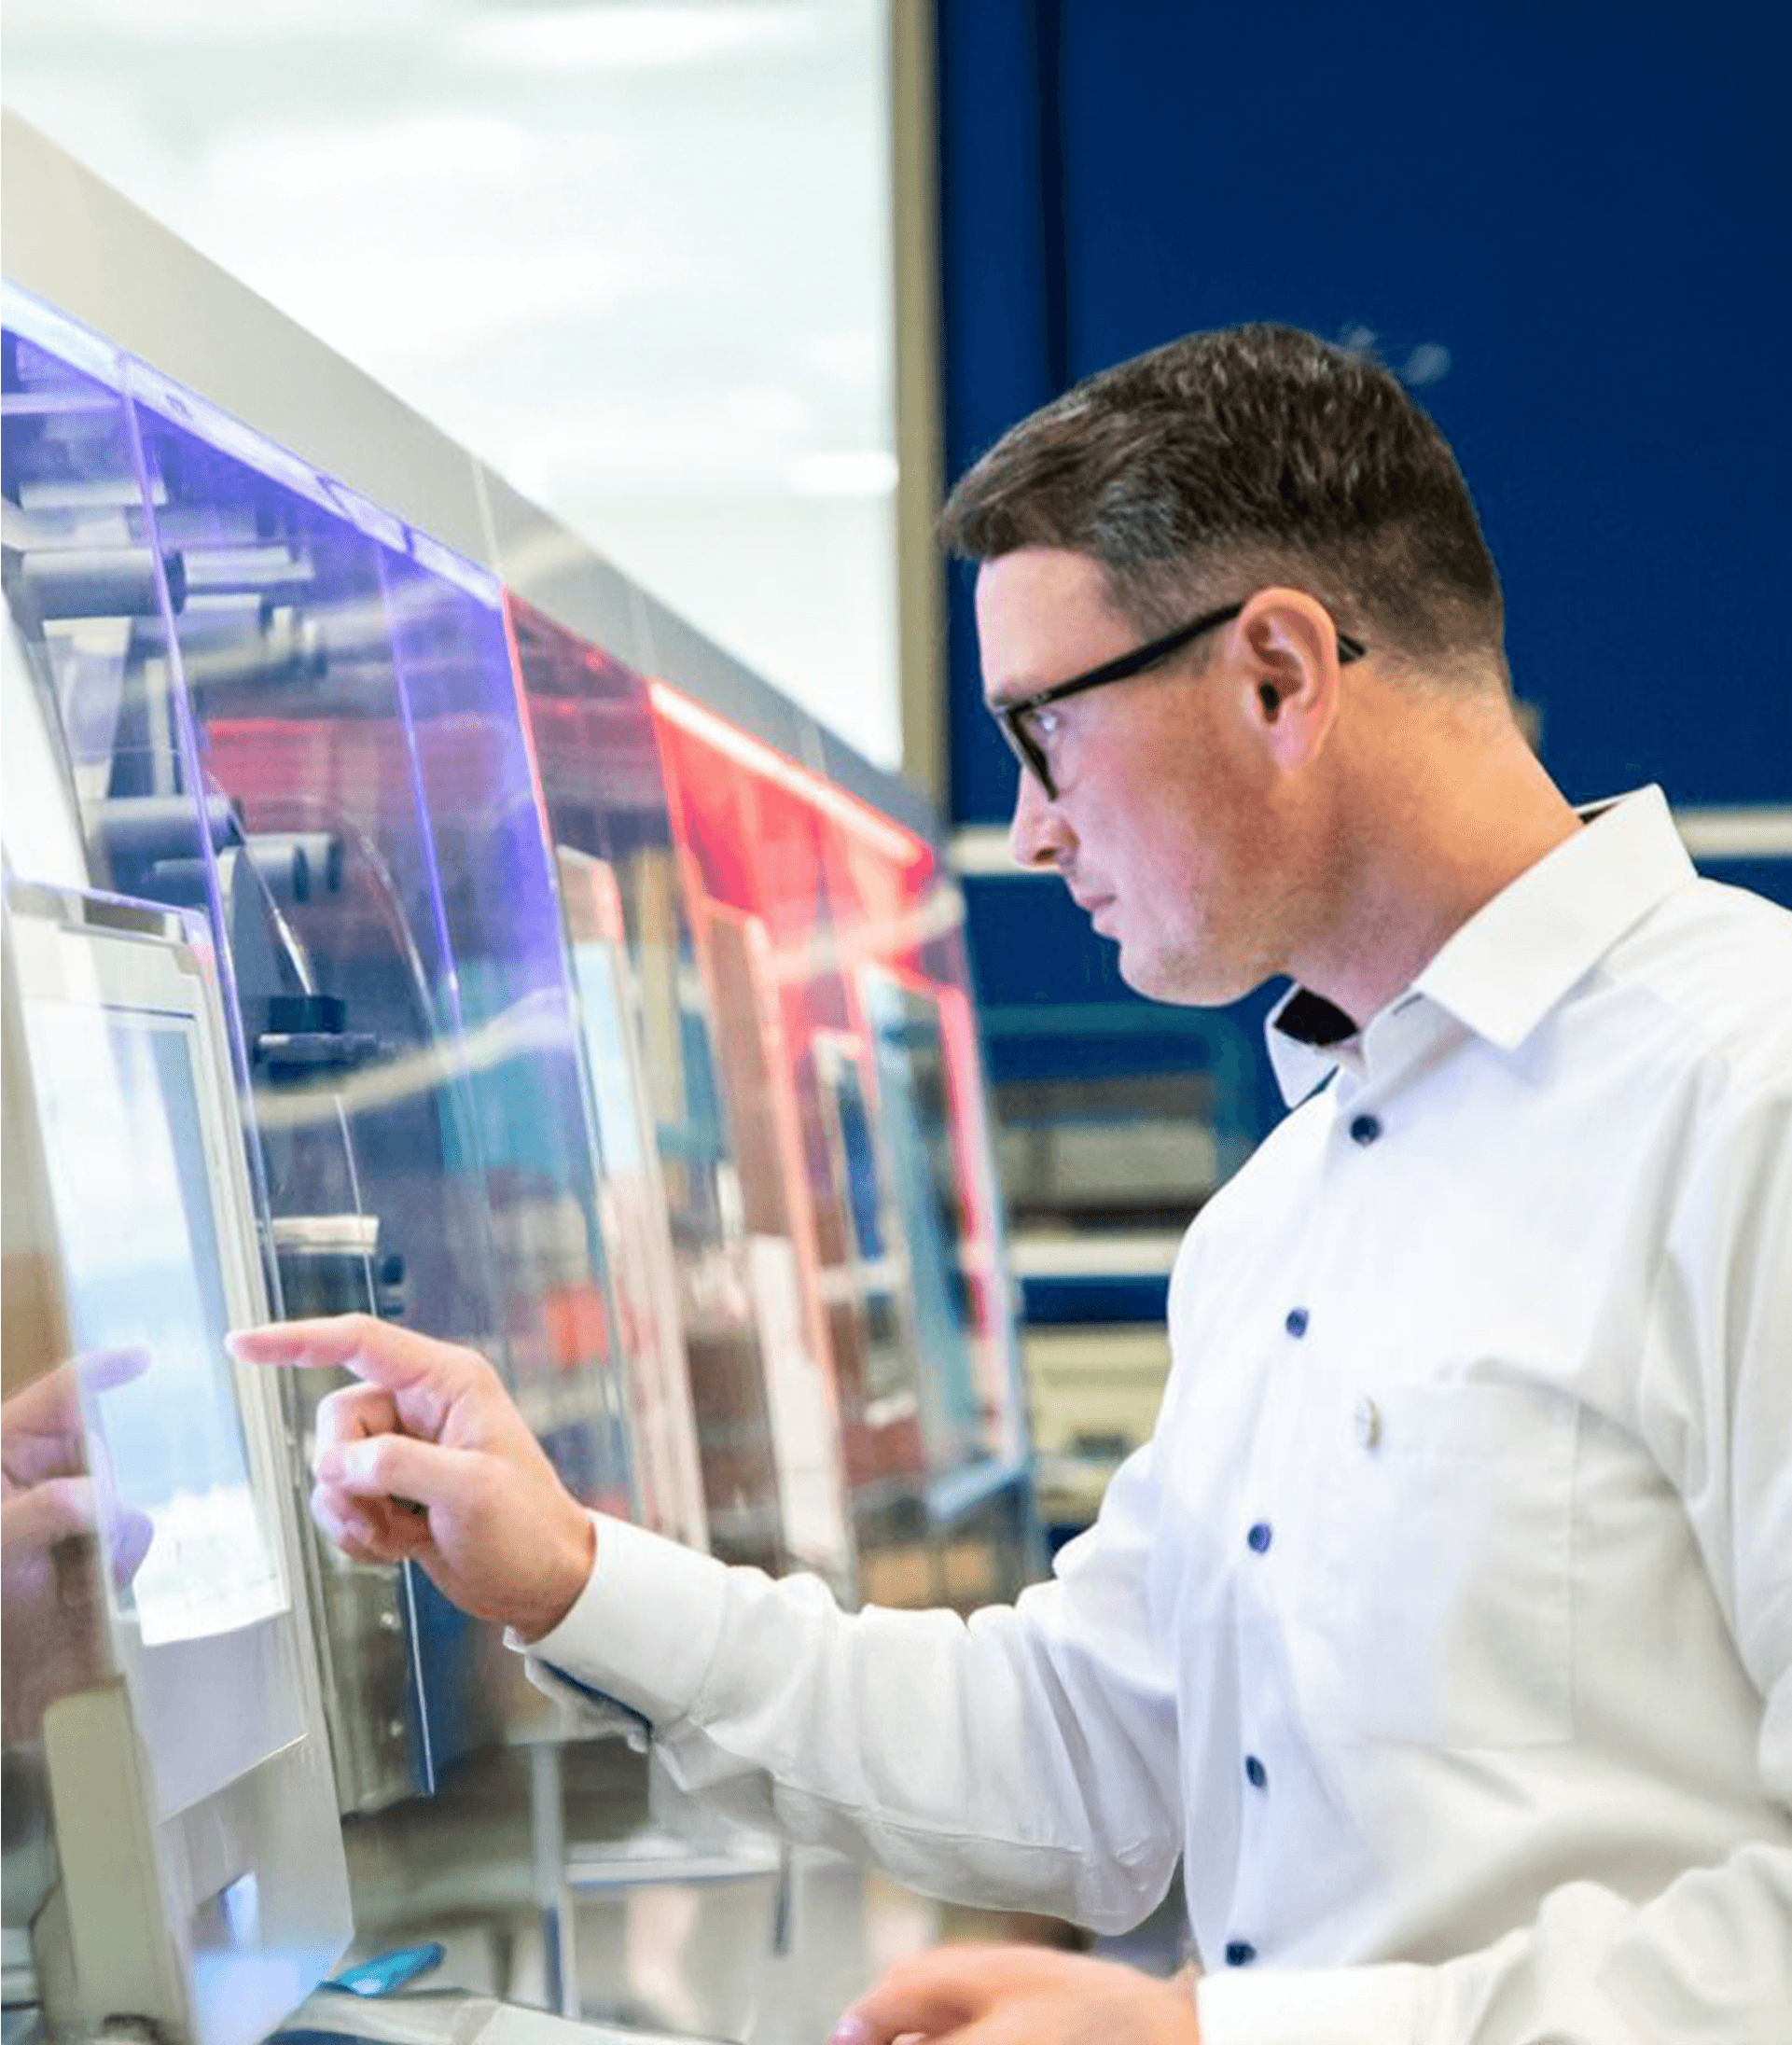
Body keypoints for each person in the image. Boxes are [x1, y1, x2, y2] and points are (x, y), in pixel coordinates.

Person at [231, 324, 1792, 2044]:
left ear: (1279, 675)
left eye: (1045, 734)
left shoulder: (1747, 1097)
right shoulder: (1286, 1215)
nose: (1036, 829)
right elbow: (1081, 1748)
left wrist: (1204, 2039)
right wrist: (569, 1576)